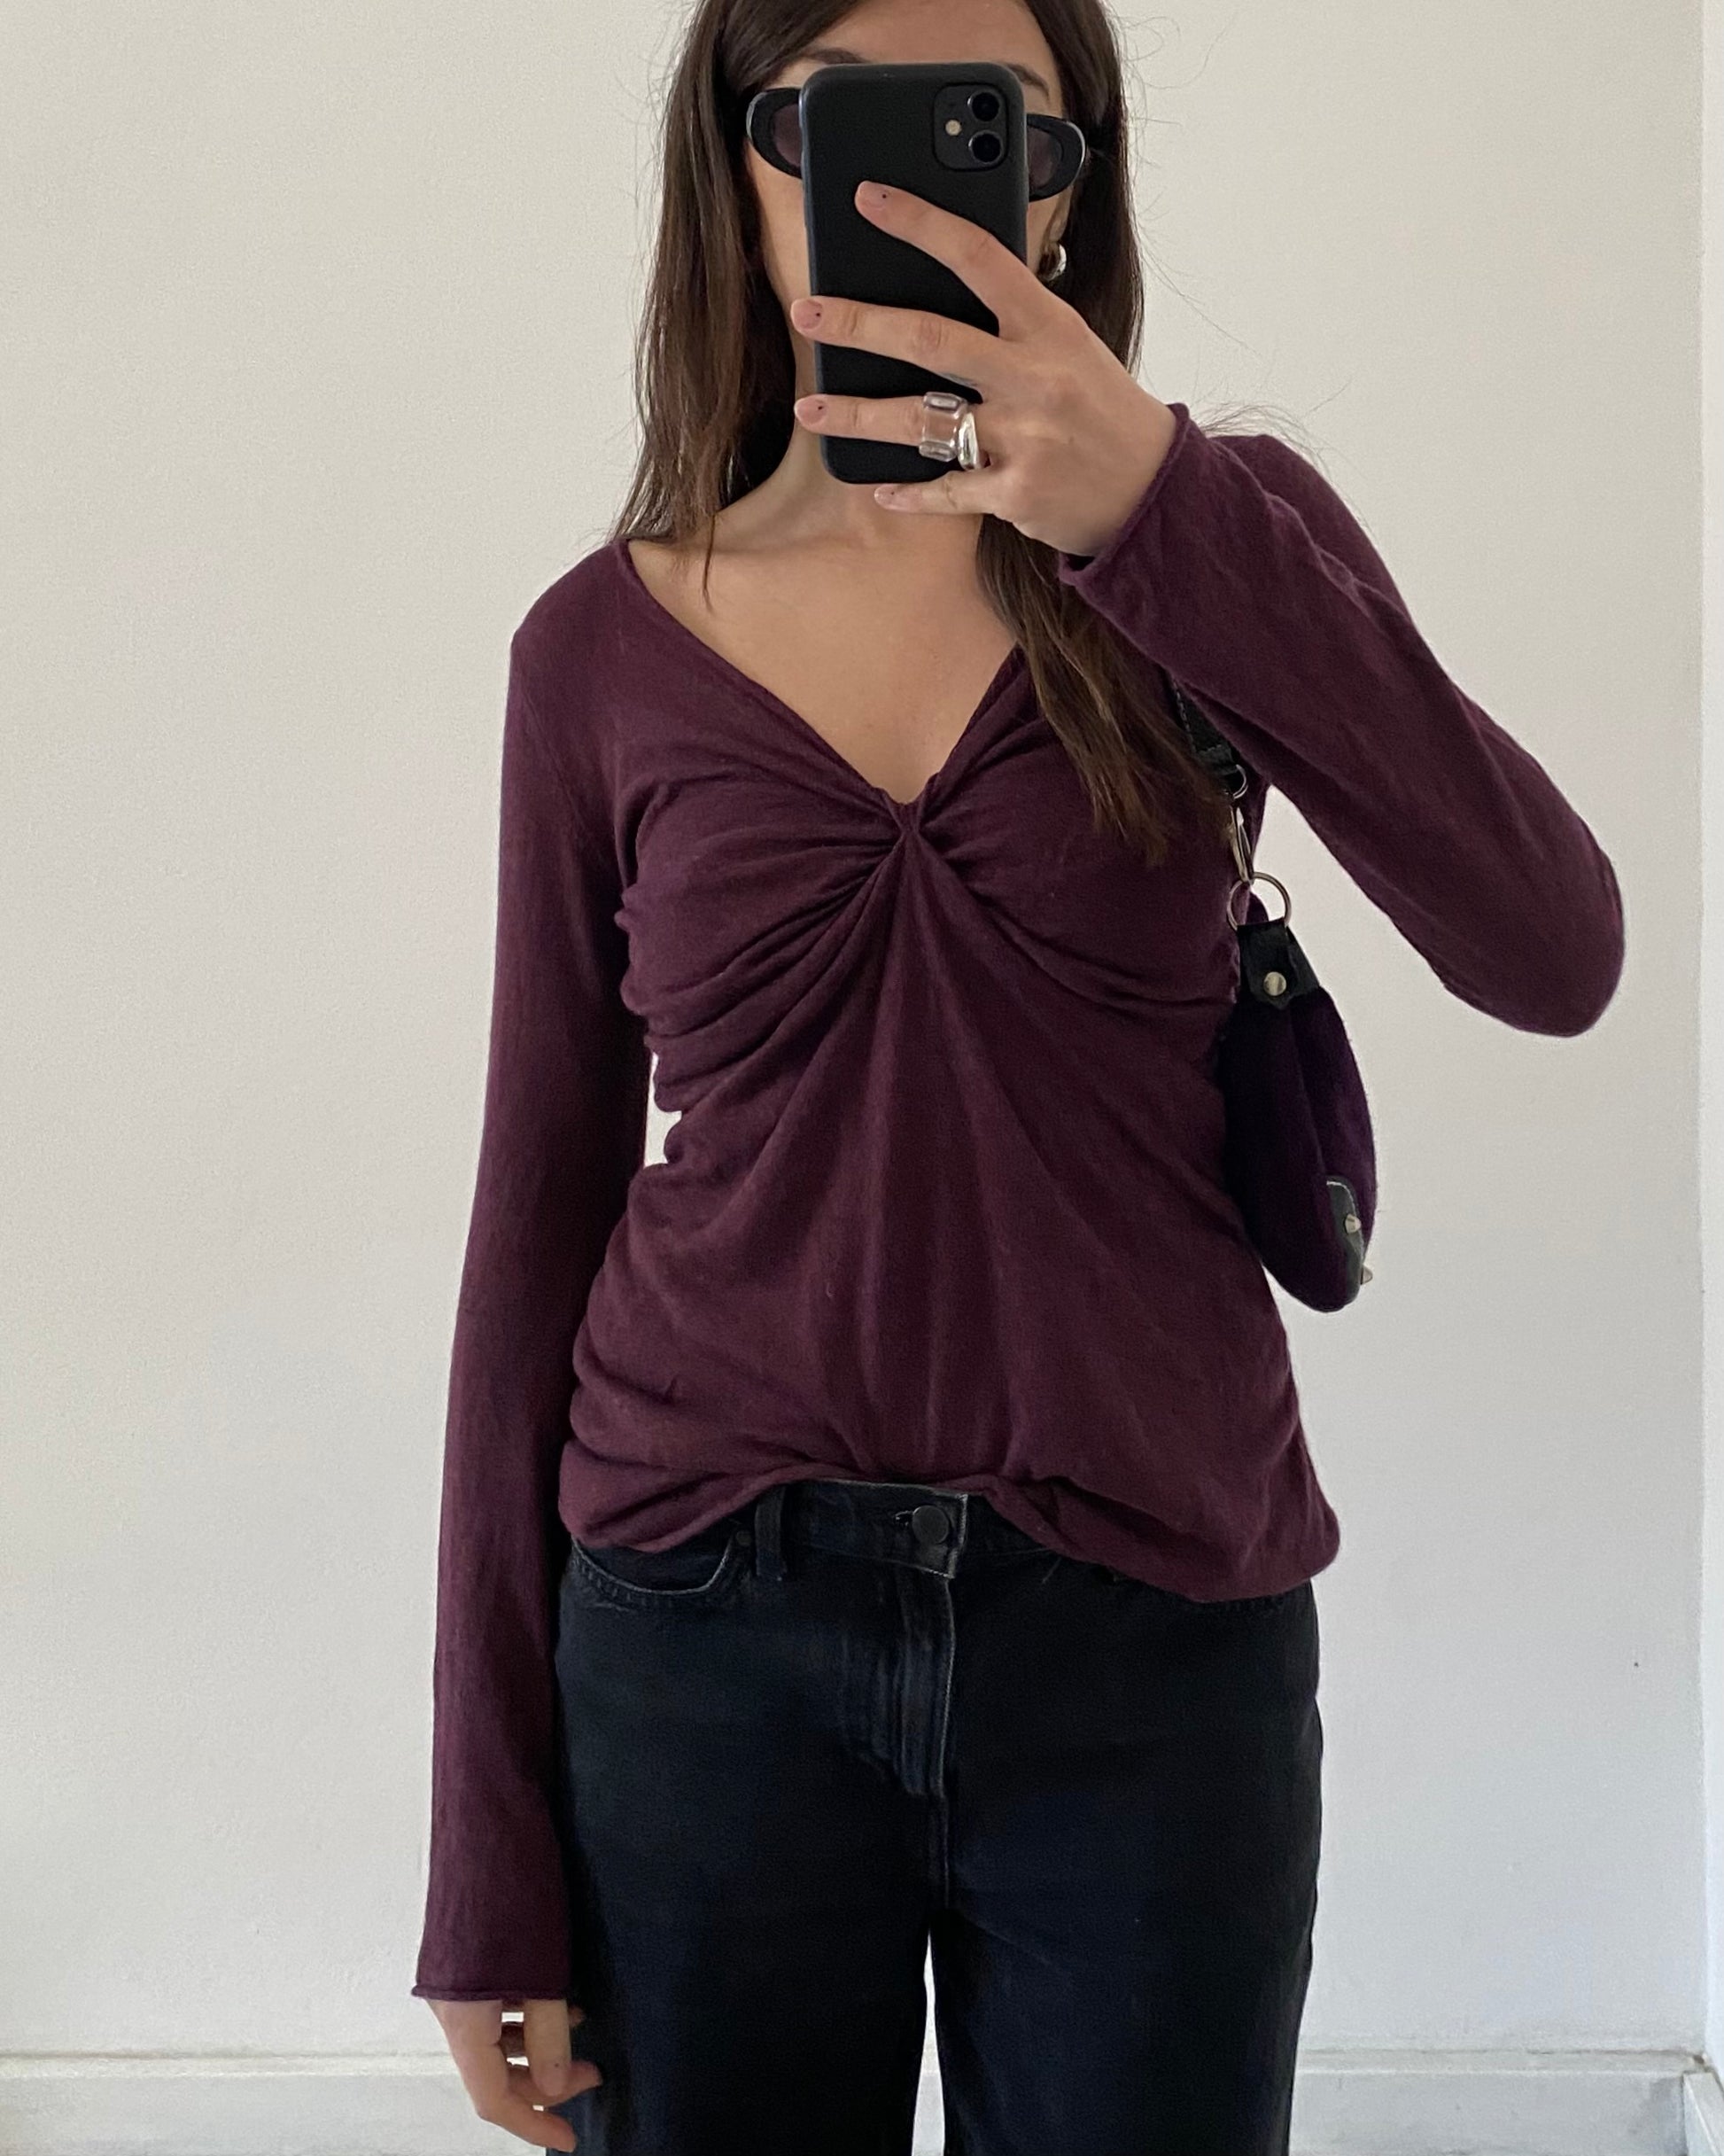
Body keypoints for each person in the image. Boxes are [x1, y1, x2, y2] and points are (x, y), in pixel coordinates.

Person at [411, 4, 1626, 2152]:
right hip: (700, 1638)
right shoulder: (595, 647)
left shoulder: (1217, 534)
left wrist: (1155, 503)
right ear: (733, 171)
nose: (892, 185)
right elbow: (536, 1220)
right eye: (824, 123)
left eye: (985, 131)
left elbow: (1552, 950)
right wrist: (485, 1845)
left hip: (1157, 1634)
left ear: (1067, 192)